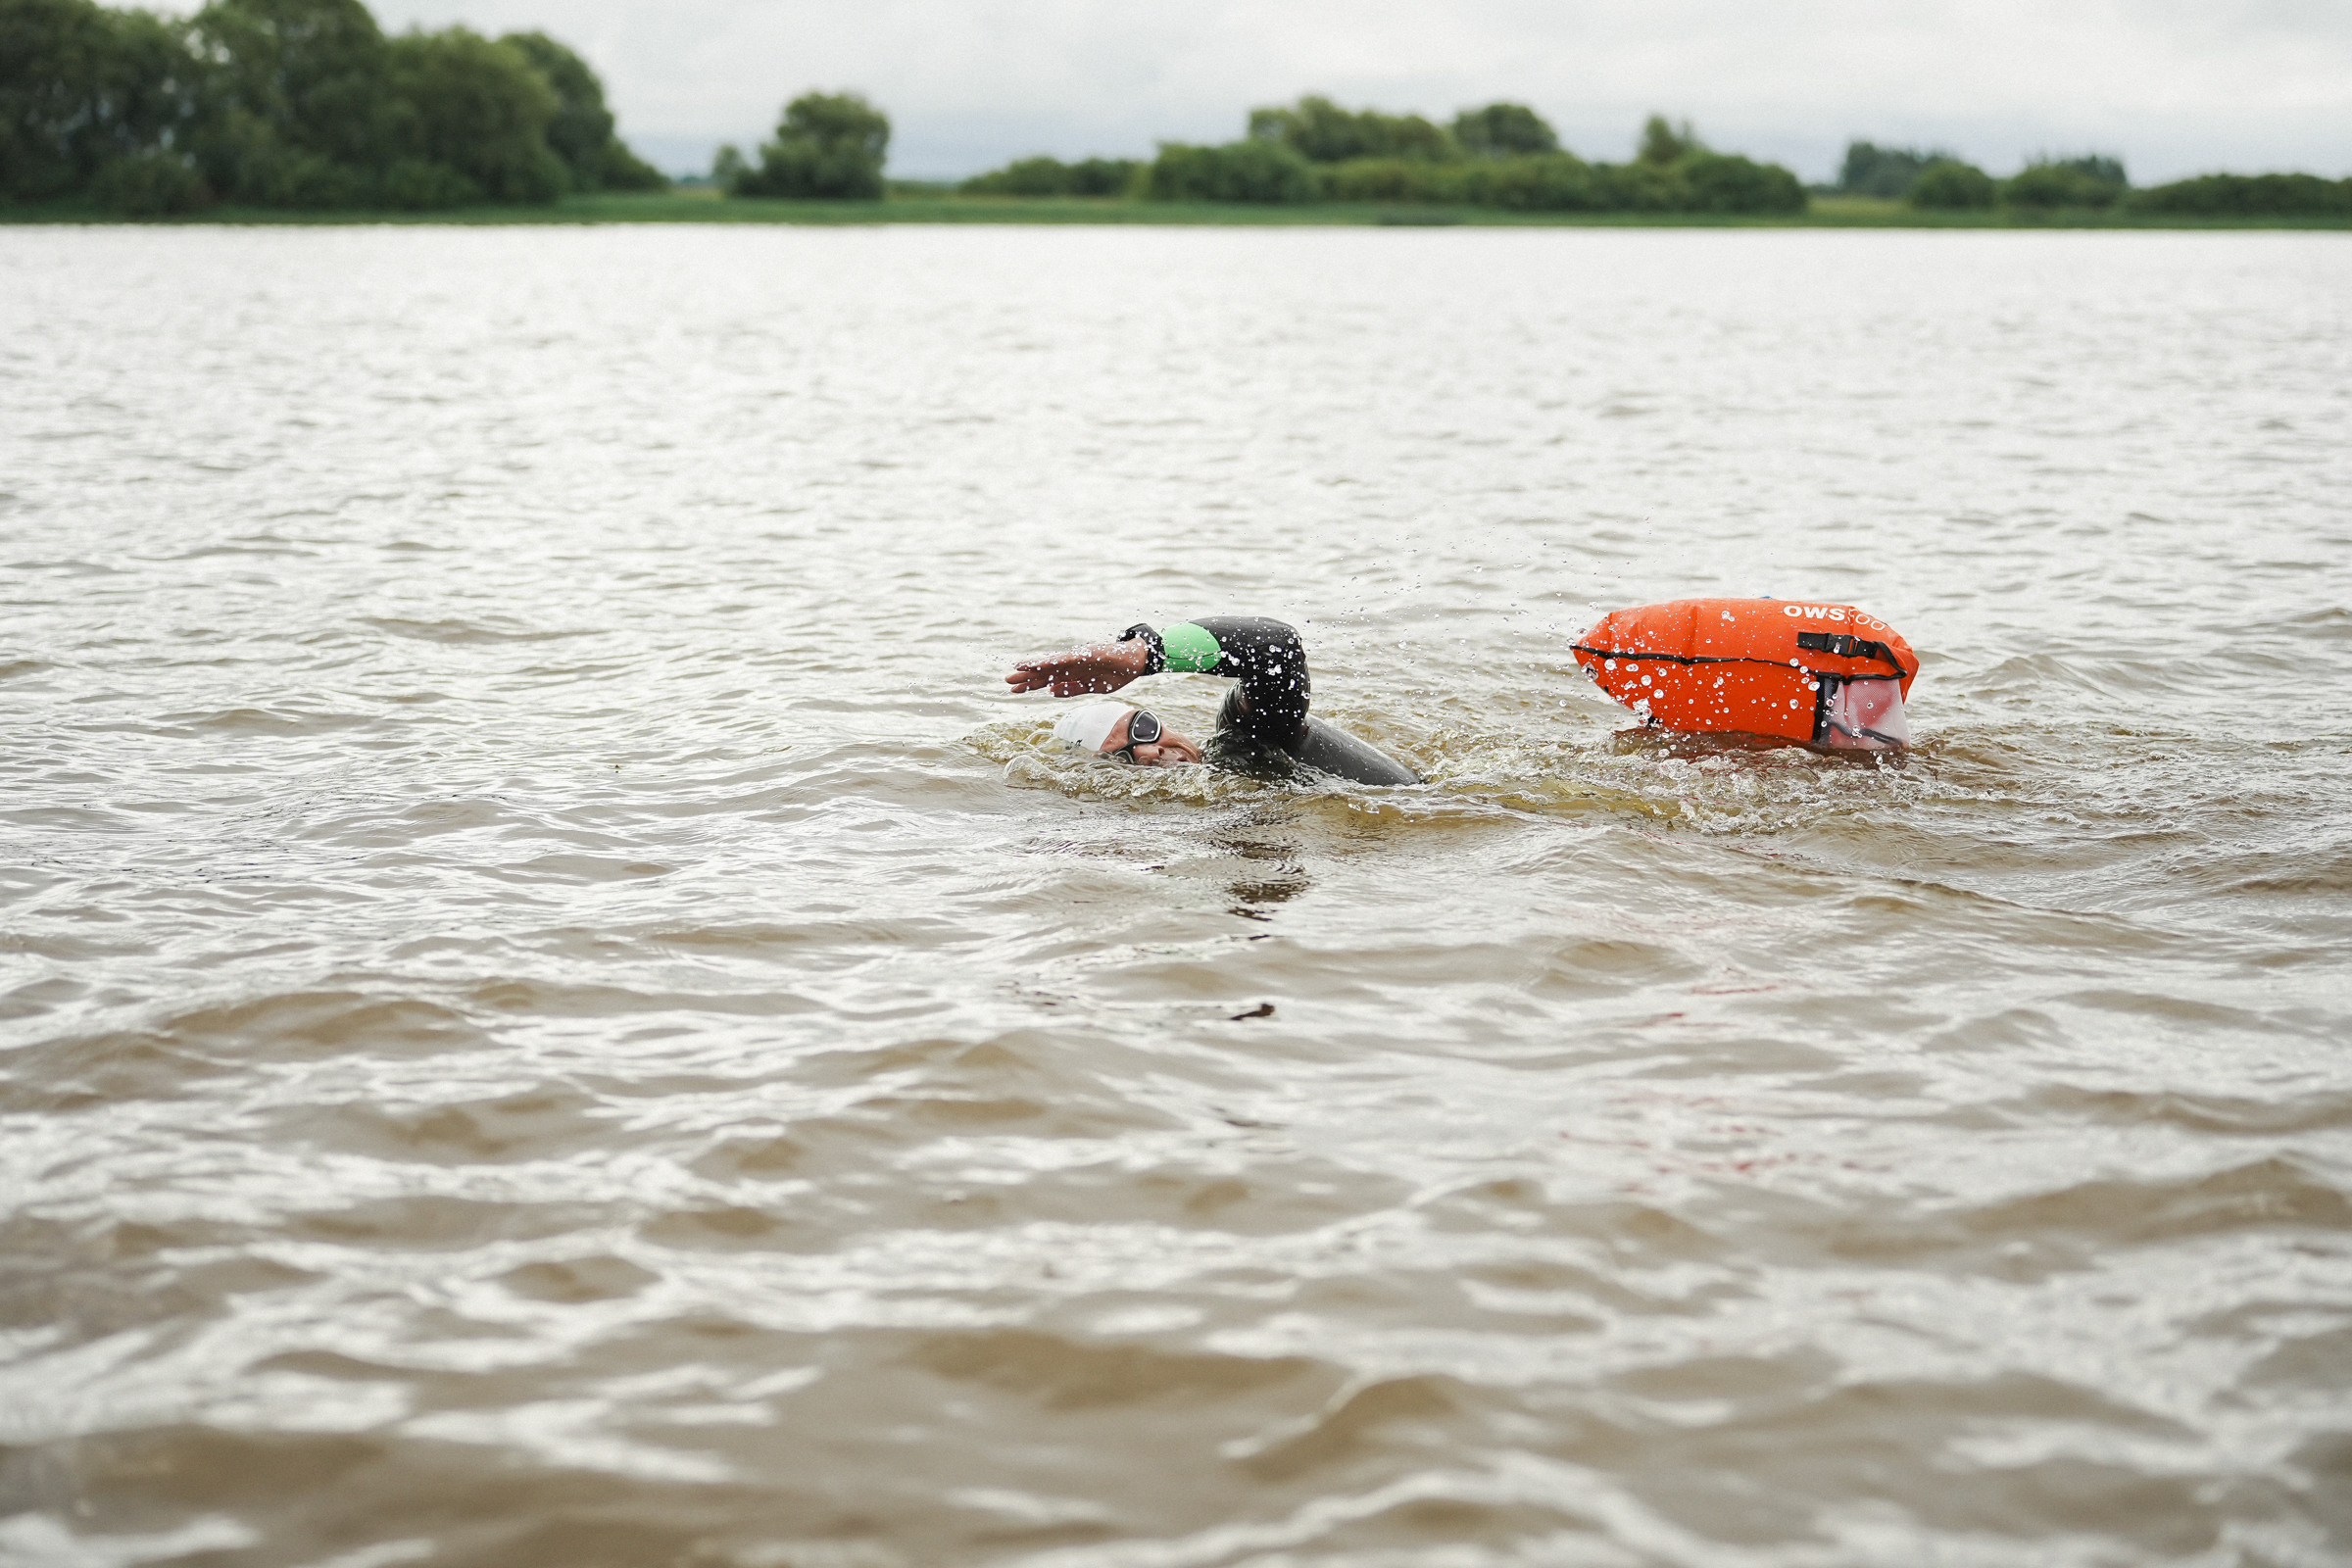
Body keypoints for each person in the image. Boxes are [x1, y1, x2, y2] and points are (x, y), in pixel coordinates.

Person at [1005, 617, 1422, 786]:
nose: (1150, 752)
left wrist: (1150, 654)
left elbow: (1279, 649)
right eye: (1123, 758)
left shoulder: (1245, 736)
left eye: (1143, 729)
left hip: (1434, 809)